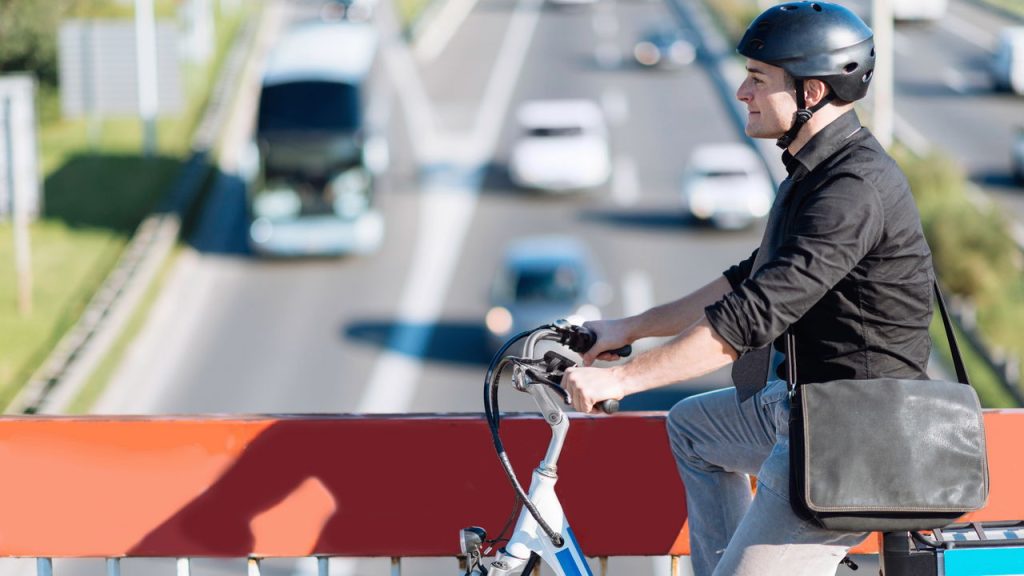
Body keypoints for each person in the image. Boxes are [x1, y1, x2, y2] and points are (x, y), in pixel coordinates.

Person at [563, 2, 935, 575]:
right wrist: (625, 329)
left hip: (855, 440)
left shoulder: (853, 188)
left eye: (758, 79)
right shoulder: (814, 172)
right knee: (693, 428)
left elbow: (748, 320)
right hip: (803, 409)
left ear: (811, 92)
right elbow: (746, 281)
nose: (743, 92)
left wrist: (621, 380)